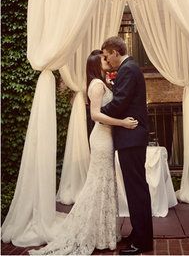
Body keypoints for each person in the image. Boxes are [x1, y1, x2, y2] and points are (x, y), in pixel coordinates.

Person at [29, 50, 138, 255]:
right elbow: (96, 115)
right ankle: (93, 232)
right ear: (96, 64)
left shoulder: (102, 83)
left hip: (107, 137)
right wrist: (122, 123)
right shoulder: (96, 85)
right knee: (99, 184)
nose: (107, 60)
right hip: (101, 139)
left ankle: (103, 232)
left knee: (105, 183)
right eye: (103, 59)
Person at [101, 36, 153, 255]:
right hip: (131, 137)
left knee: (136, 189)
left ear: (115, 52)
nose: (106, 60)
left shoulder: (128, 69)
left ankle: (142, 242)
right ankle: (139, 233)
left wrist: (97, 113)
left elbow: (120, 102)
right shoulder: (129, 68)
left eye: (106, 56)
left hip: (131, 137)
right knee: (136, 188)